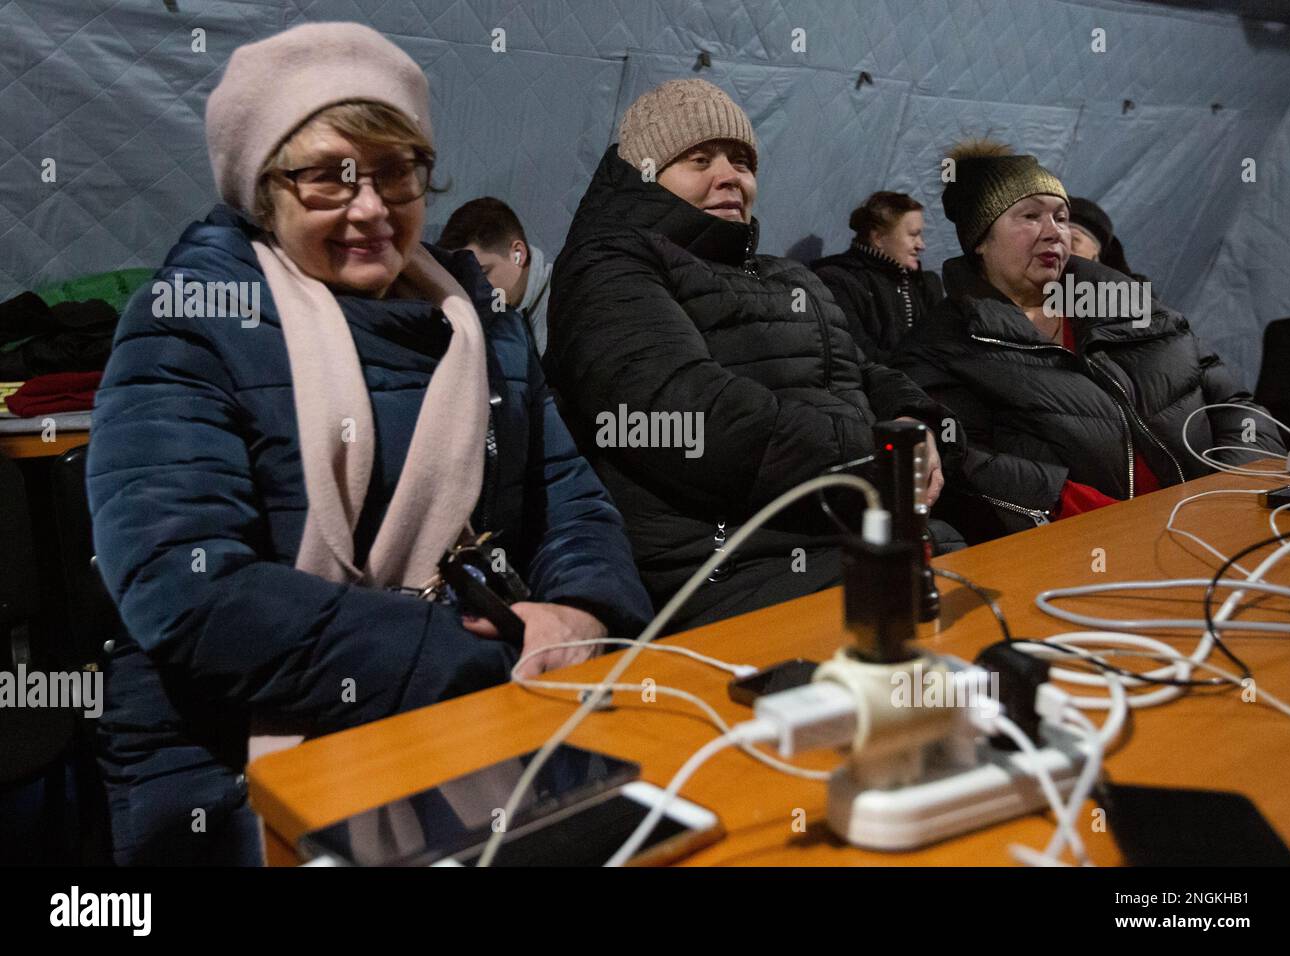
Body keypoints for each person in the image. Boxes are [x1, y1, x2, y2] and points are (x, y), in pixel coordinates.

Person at [87, 23, 652, 866]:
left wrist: (581, 610)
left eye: (396, 173)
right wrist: (465, 657)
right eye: (327, 178)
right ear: (263, 191)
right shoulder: (189, 325)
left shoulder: (480, 320)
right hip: (228, 750)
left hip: (483, 699)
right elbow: (188, 591)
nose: (370, 208)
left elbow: (565, 493)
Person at [544, 79, 955, 630]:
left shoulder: (787, 275)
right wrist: (879, 458)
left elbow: (862, 369)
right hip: (736, 568)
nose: (730, 176)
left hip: (862, 534)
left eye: (741, 160)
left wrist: (916, 422)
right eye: (698, 160)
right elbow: (688, 413)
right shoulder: (610, 263)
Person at [891, 139, 1284, 543]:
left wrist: (1235, 490)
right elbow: (967, 465)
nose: (1053, 233)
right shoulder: (943, 345)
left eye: (1061, 217)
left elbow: (1234, 404)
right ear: (980, 240)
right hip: (1085, 552)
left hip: (1218, 528)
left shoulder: (1135, 306)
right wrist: (1106, 521)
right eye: (1029, 216)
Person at [811, 191, 944, 362]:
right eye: (913, 235)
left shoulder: (924, 284)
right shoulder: (837, 281)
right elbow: (858, 354)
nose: (921, 245)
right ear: (879, 238)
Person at [437, 197, 553, 355]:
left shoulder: (571, 294)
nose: (475, 290)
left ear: (518, 254)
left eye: (482, 273)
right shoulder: (487, 326)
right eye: (466, 280)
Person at [1066, 195, 1150, 285]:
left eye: (1072, 241)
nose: (1060, 250)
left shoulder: (1129, 294)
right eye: (1052, 241)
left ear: (1095, 255)